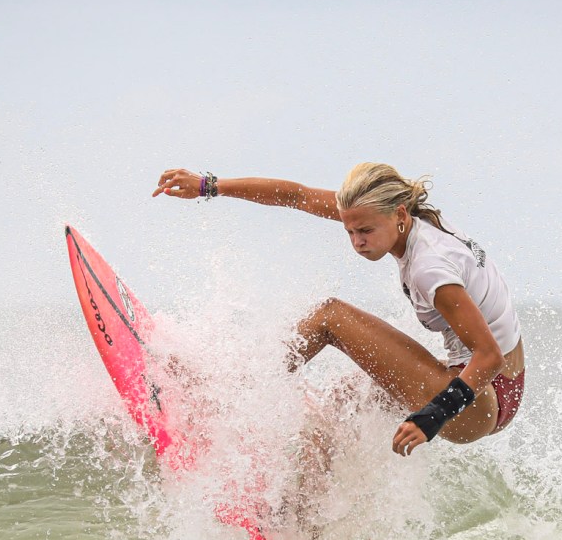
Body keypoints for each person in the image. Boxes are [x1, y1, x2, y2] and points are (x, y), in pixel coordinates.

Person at [153, 163, 525, 457]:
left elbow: (489, 356)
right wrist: (210, 185)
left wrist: (433, 416)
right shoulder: (407, 219)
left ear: (398, 214)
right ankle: (303, 518)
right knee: (340, 409)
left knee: (331, 317)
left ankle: (227, 398)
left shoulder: (430, 267)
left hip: (478, 399)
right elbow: (295, 196)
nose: (357, 242)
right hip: (496, 387)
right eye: (349, 232)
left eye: (364, 231)